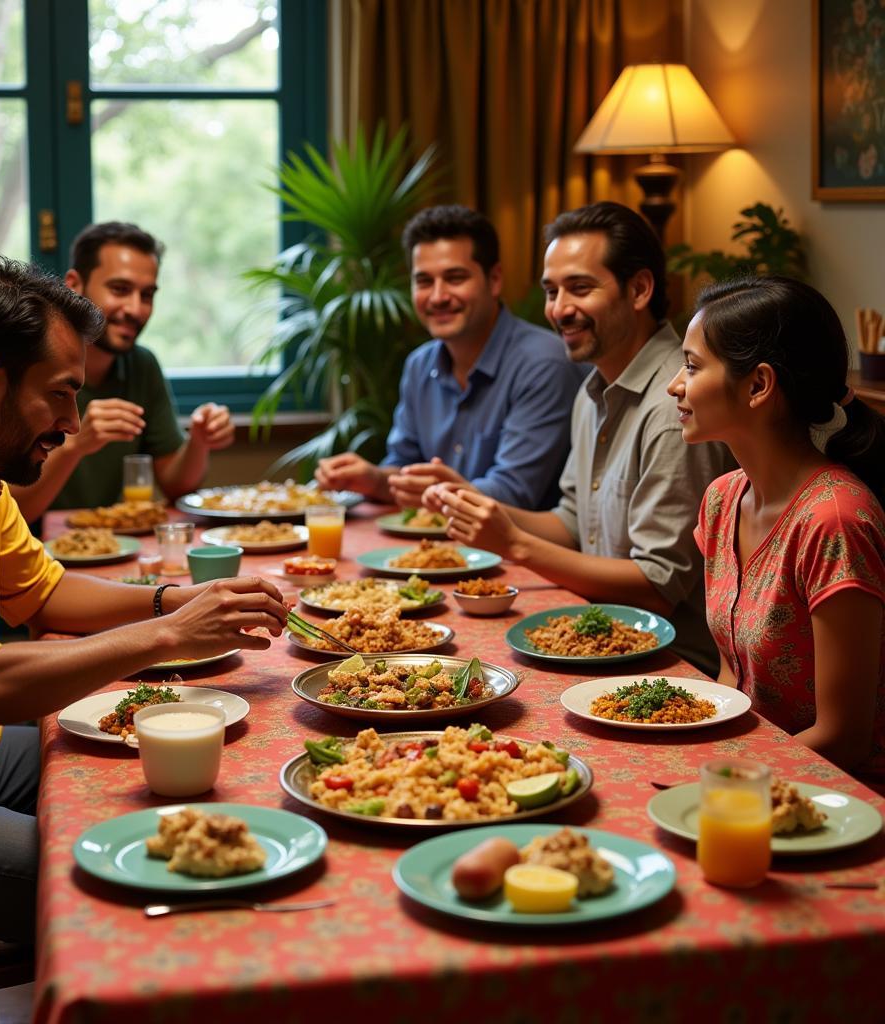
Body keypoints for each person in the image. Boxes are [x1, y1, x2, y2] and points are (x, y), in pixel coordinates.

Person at [0, 257, 287, 944]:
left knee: (184, 767)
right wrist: (170, 635)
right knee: (138, 890)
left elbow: (47, 591)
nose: (71, 422)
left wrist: (177, 595)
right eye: (60, 395)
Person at [426, 201, 733, 674]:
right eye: (551, 291)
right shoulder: (593, 389)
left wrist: (515, 545)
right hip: (599, 636)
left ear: (640, 289)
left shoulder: (676, 405)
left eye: (580, 288)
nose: (559, 309)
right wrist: (472, 502)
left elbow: (656, 585)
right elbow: (572, 523)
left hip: (670, 665)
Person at [668, 276, 885, 776]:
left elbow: (844, 737)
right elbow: (732, 678)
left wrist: (718, 778)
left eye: (692, 366)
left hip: (829, 798)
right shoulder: (722, 500)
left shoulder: (835, 522)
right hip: (744, 768)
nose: (674, 384)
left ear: (759, 385)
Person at [315, 204, 586, 510]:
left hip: (519, 554)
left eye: (455, 278)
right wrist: (375, 480)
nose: (438, 296)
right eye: (424, 281)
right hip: (440, 548)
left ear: (494, 280)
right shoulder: (420, 365)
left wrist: (433, 491)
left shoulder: (543, 364)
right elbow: (405, 466)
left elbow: (514, 494)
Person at [10, 222, 234, 520]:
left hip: (113, 549)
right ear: (74, 285)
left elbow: (176, 486)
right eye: (120, 289)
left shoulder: (142, 366)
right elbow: (6, 514)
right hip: (30, 553)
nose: (136, 309)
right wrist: (75, 445)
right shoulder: (25, 365)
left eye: (147, 295)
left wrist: (199, 442)